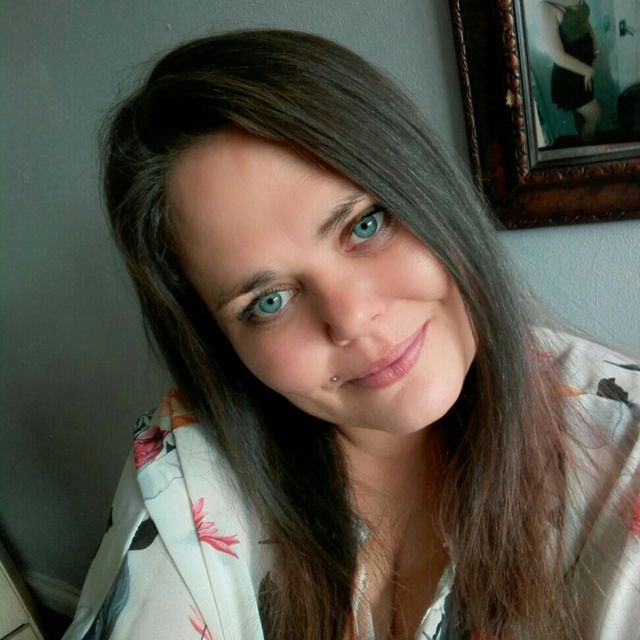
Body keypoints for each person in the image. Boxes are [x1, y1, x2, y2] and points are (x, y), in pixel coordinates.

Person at [63, 29, 639, 640]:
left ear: (431, 190)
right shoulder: (188, 474)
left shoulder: (621, 450)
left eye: (366, 224)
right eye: (269, 301)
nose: (352, 318)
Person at [538, 0, 602, 143]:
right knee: (595, 114)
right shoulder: (545, 6)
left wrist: (594, 44)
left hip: (585, 66)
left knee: (582, 116)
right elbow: (557, 56)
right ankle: (588, 150)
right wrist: (588, 71)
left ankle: (586, 145)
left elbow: (584, 19)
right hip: (570, 73)